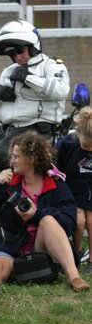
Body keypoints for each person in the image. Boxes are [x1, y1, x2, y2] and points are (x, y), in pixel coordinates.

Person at [0, 131, 89, 305]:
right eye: (12, 156)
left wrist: (36, 215)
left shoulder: (56, 184)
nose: (12, 161)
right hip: (10, 247)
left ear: (32, 158)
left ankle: (74, 276)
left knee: (48, 220)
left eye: (16, 156)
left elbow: (69, 222)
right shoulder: (7, 183)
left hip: (43, 249)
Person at [0, 20, 70, 170]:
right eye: (12, 54)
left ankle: (24, 185)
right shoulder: (9, 70)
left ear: (33, 47)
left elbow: (61, 91)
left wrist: (27, 78)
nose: (17, 58)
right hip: (8, 131)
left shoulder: (51, 65)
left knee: (1, 152)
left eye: (20, 52)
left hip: (37, 130)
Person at [57, 106, 92, 274]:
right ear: (78, 134)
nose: (89, 150)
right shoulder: (66, 144)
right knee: (78, 222)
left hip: (90, 190)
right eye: (86, 146)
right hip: (71, 190)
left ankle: (91, 261)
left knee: (91, 222)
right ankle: (76, 254)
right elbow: (57, 170)